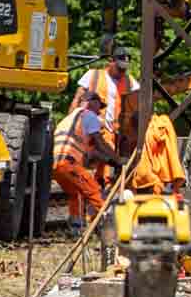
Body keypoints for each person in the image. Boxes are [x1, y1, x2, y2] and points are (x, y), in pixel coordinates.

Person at [51, 91, 117, 229]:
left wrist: (111, 162)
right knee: (94, 190)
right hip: (68, 162)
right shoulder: (88, 115)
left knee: (76, 193)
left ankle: (76, 228)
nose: (100, 111)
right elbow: (100, 143)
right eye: (100, 106)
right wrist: (117, 159)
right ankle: (110, 226)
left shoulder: (69, 119)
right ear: (92, 102)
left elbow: (93, 153)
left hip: (55, 165)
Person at [74, 44, 140, 148]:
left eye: (124, 69)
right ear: (111, 61)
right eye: (119, 68)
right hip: (93, 134)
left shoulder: (130, 82)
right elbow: (76, 101)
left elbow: (141, 102)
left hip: (117, 139)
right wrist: (71, 126)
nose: (122, 72)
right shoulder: (93, 75)